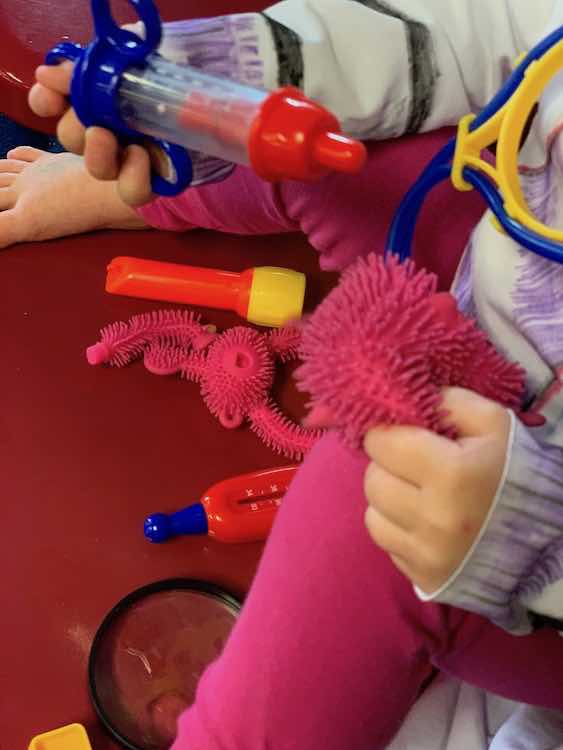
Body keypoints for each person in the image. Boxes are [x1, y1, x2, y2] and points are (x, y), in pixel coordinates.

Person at [10, 1, 563, 747]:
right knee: (336, 140)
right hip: (504, 286)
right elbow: (474, 29)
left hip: (532, 558)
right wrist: (236, 74)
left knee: (357, 505)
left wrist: (527, 537)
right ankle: (128, 190)